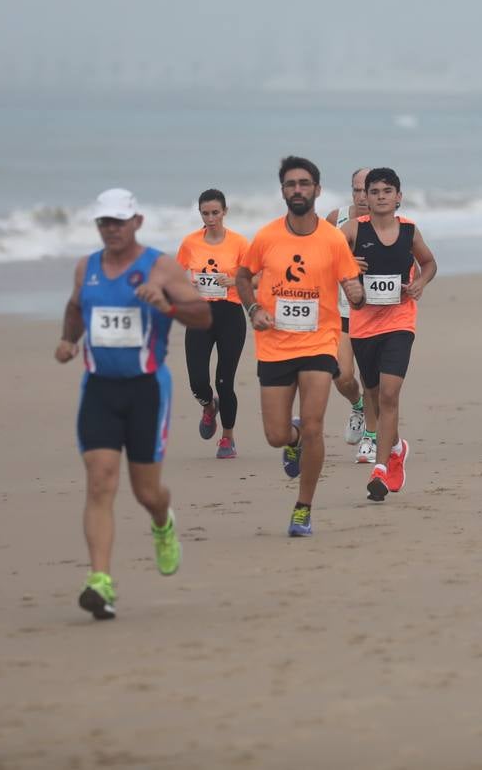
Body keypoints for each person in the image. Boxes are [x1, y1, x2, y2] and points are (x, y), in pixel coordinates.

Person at [55, 188, 212, 620]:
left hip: (146, 390)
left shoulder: (160, 266)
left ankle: (163, 522)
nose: (111, 229)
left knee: (146, 492)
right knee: (100, 481)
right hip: (100, 389)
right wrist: (69, 340)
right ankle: (99, 581)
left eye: (118, 222)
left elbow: (203, 315)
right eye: (104, 222)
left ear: (136, 222)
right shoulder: (86, 267)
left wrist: (167, 304)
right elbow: (74, 308)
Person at [237, 156, 365, 536]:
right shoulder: (266, 236)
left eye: (304, 183)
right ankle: (290, 441)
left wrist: (356, 295)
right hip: (275, 344)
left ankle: (303, 507)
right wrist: (253, 307)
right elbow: (243, 276)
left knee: (314, 426)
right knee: (276, 435)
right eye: (291, 184)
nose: (297, 189)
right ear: (282, 191)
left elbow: (352, 290)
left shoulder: (332, 239)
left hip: (318, 342)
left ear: (317, 190)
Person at [343, 167, 438, 501]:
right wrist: (349, 270)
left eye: (387, 191)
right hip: (363, 326)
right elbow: (327, 262)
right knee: (373, 395)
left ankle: (380, 470)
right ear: (365, 197)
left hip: (399, 322)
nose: (381, 196)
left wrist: (419, 284)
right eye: (374, 191)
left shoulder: (409, 231)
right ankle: (396, 446)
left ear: (398, 196)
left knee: (389, 394)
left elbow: (429, 264)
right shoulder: (352, 229)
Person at [176, 189, 250, 459]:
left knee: (224, 381)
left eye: (215, 213)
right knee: (197, 381)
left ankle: (227, 438)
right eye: (205, 213)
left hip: (230, 315)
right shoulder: (190, 243)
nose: (210, 218)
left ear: (224, 212)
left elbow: (256, 278)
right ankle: (209, 407)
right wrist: (187, 283)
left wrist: (235, 281)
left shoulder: (240, 243)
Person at [324, 169, 378, 462]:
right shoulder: (336, 218)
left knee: (372, 378)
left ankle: (370, 437)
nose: (361, 197)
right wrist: (343, 261)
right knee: (343, 376)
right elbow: (318, 254)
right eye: (356, 190)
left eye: (366, 190)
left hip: (375, 314)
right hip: (343, 312)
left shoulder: (386, 222)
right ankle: (357, 405)